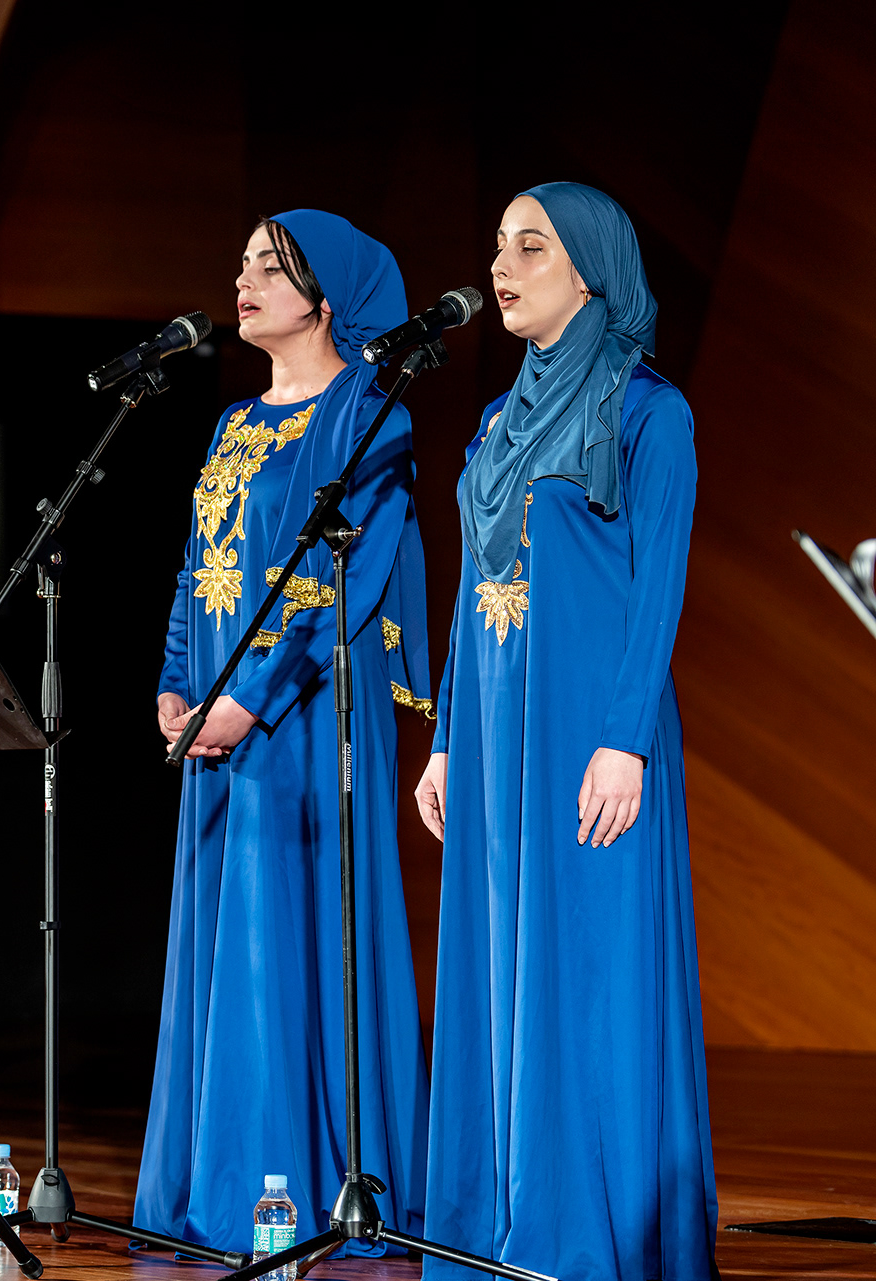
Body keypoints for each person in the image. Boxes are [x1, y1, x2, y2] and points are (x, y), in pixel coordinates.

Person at [414, 183, 716, 1281]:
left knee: (593, 972)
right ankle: (503, 1221)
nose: (502, 267)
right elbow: (471, 589)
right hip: (499, 741)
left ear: (589, 269)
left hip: (592, 738)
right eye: (498, 245)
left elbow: (658, 589)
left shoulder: (648, 411)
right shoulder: (497, 422)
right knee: (504, 974)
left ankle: (599, 1234)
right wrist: (447, 738)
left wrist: (625, 739)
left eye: (530, 247)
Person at [139, 211, 434, 1252]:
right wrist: (179, 686)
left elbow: (337, 590)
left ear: (325, 295)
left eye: (272, 266)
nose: (246, 279)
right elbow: (198, 568)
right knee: (227, 939)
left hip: (306, 718)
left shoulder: (368, 412)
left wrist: (250, 699)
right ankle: (220, 1187)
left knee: (290, 939)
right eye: (244, 263)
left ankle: (299, 1186)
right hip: (216, 718)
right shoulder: (232, 422)